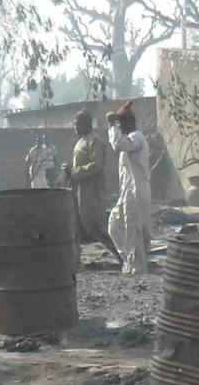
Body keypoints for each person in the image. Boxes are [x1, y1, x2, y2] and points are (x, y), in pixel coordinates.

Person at [106, 103, 153, 275]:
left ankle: (137, 269)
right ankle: (130, 261)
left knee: (134, 231)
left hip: (136, 192)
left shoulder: (136, 137)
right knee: (114, 224)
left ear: (127, 123)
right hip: (127, 192)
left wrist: (112, 127)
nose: (119, 127)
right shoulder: (129, 139)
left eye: (120, 124)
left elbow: (118, 145)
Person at [66, 110, 118, 260]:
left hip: (91, 190)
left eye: (77, 124)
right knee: (75, 226)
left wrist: (75, 171)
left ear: (85, 124)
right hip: (77, 189)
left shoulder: (95, 141)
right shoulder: (80, 142)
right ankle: (75, 261)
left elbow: (96, 165)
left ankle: (120, 255)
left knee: (93, 225)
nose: (74, 127)